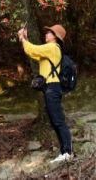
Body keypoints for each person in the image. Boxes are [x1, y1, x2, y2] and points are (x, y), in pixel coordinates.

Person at [18, 24, 73, 164]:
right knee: (55, 121)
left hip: (52, 88)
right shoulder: (49, 50)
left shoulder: (52, 47)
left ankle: (68, 152)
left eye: (49, 32)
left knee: (59, 121)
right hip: (50, 88)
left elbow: (32, 49)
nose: (46, 34)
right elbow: (33, 52)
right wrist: (25, 38)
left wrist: (23, 38)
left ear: (55, 37)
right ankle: (64, 152)